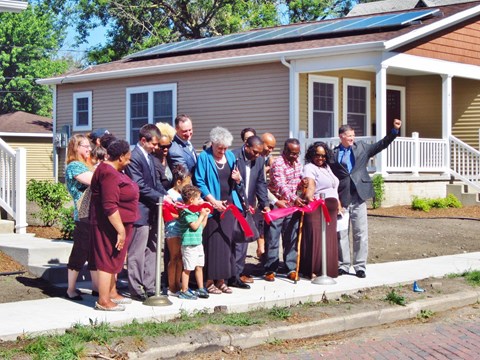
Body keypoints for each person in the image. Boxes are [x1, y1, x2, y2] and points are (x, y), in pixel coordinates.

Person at [330, 119, 402, 278]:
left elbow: (381, 145)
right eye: (349, 135)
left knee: (360, 233)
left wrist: (394, 131)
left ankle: (360, 266)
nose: (352, 138)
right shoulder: (334, 154)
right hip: (342, 198)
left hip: (359, 196)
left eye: (353, 135)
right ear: (341, 136)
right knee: (341, 233)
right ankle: (343, 265)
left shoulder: (362, 148)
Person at [90, 139, 139, 311]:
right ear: (120, 157)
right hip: (108, 224)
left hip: (119, 223)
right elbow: (109, 205)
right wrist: (120, 230)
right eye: (128, 157)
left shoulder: (114, 170)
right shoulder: (108, 173)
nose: (129, 160)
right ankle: (103, 300)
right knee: (106, 259)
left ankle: (111, 292)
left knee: (114, 258)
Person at [194, 126, 243, 294]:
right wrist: (213, 202)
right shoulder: (204, 157)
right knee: (212, 244)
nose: (222, 151)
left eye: (225, 148)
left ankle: (222, 280)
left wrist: (238, 178)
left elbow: (237, 179)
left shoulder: (230, 156)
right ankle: (209, 281)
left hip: (229, 205)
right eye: (219, 147)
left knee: (226, 243)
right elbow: (199, 181)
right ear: (213, 143)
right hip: (212, 206)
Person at [125, 124, 170, 301]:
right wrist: (161, 197)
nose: (156, 147)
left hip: (153, 210)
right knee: (137, 251)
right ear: (143, 140)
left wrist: (168, 195)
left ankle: (151, 286)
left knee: (153, 249)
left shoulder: (150, 158)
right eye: (153, 143)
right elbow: (139, 186)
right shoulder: (134, 157)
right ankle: (136, 288)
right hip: (139, 211)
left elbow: (155, 183)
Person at [229, 135, 269, 289]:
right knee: (230, 241)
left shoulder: (259, 161)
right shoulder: (233, 156)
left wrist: (264, 203)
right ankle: (225, 275)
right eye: (255, 152)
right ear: (246, 146)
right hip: (232, 204)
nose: (257, 155)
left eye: (260, 152)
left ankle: (236, 275)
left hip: (248, 205)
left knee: (242, 241)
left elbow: (261, 183)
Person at [264, 138, 305, 282]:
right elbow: (281, 185)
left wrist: (302, 184)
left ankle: (291, 268)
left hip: (292, 206)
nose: (295, 156)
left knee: (291, 237)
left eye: (297, 154)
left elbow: (296, 185)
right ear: (285, 151)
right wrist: (294, 198)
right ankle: (270, 268)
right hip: (278, 204)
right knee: (273, 237)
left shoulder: (298, 164)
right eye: (292, 153)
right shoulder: (278, 164)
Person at [64, 134, 97, 300]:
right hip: (83, 215)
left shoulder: (87, 165)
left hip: (94, 215)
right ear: (76, 148)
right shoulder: (74, 166)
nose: (89, 149)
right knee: (80, 251)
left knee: (95, 253)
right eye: (85, 146)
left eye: (89, 146)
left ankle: (97, 288)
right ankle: (71, 289)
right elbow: (94, 181)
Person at [300, 142, 340, 279]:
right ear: (312, 154)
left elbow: (334, 187)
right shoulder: (309, 167)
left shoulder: (327, 167)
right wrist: (309, 197)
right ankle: (312, 270)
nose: (320, 158)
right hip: (317, 207)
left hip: (331, 209)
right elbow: (310, 184)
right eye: (317, 155)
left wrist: (339, 203)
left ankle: (327, 269)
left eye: (323, 156)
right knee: (315, 238)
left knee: (329, 239)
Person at [178, 184, 210, 300]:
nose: (200, 201)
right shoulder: (186, 212)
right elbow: (195, 226)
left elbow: (201, 226)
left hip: (198, 243)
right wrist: (201, 215)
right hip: (189, 245)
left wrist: (205, 216)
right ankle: (184, 290)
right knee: (188, 268)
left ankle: (201, 287)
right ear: (191, 200)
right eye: (198, 199)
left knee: (199, 266)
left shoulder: (196, 212)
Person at [165, 165, 191, 294]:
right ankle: (171, 285)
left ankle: (178, 282)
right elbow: (168, 213)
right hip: (173, 228)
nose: (187, 186)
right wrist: (182, 214)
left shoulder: (184, 195)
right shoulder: (170, 194)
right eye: (186, 183)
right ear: (179, 182)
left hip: (183, 228)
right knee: (174, 256)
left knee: (181, 257)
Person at [256, 132, 277, 258]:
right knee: (258, 229)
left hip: (264, 198)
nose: (270, 150)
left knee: (263, 228)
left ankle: (262, 254)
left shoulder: (267, 159)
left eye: (273, 148)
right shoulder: (256, 157)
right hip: (256, 199)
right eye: (268, 147)